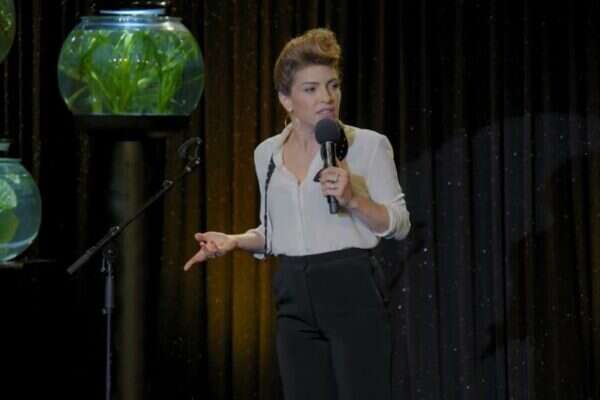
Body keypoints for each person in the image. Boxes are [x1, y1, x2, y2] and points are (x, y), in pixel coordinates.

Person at [184, 28, 410, 400]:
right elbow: (274, 232)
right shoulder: (266, 154)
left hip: (351, 289)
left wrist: (354, 199)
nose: (327, 98)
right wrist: (235, 241)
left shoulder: (368, 145)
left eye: (333, 86)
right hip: (293, 296)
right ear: (286, 99)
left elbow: (399, 224)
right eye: (311, 89)